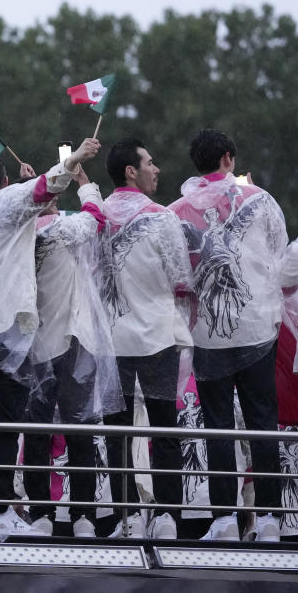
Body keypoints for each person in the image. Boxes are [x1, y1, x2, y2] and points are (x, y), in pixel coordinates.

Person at [0, 138, 99, 535]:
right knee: (7, 422)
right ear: (6, 181)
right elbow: (47, 187)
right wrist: (76, 159)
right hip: (8, 327)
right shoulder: (5, 203)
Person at [169, 129, 298, 542]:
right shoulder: (260, 200)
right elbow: (282, 262)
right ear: (228, 158)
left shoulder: (175, 211)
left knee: (217, 428)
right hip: (257, 328)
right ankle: (269, 521)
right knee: (262, 423)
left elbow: (176, 275)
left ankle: (224, 519)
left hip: (207, 334)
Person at [99, 138, 193, 539]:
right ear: (131, 172)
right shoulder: (162, 218)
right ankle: (168, 516)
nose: (157, 169)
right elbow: (181, 278)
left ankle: (126, 517)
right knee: (164, 428)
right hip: (156, 337)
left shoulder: (94, 216)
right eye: (150, 163)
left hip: (111, 339)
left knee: (117, 431)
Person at [22, 164, 123, 538]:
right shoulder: (62, 229)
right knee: (75, 431)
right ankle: (81, 515)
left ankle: (44, 515)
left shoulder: (18, 235)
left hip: (46, 344)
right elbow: (94, 218)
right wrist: (85, 183)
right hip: (63, 343)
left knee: (41, 432)